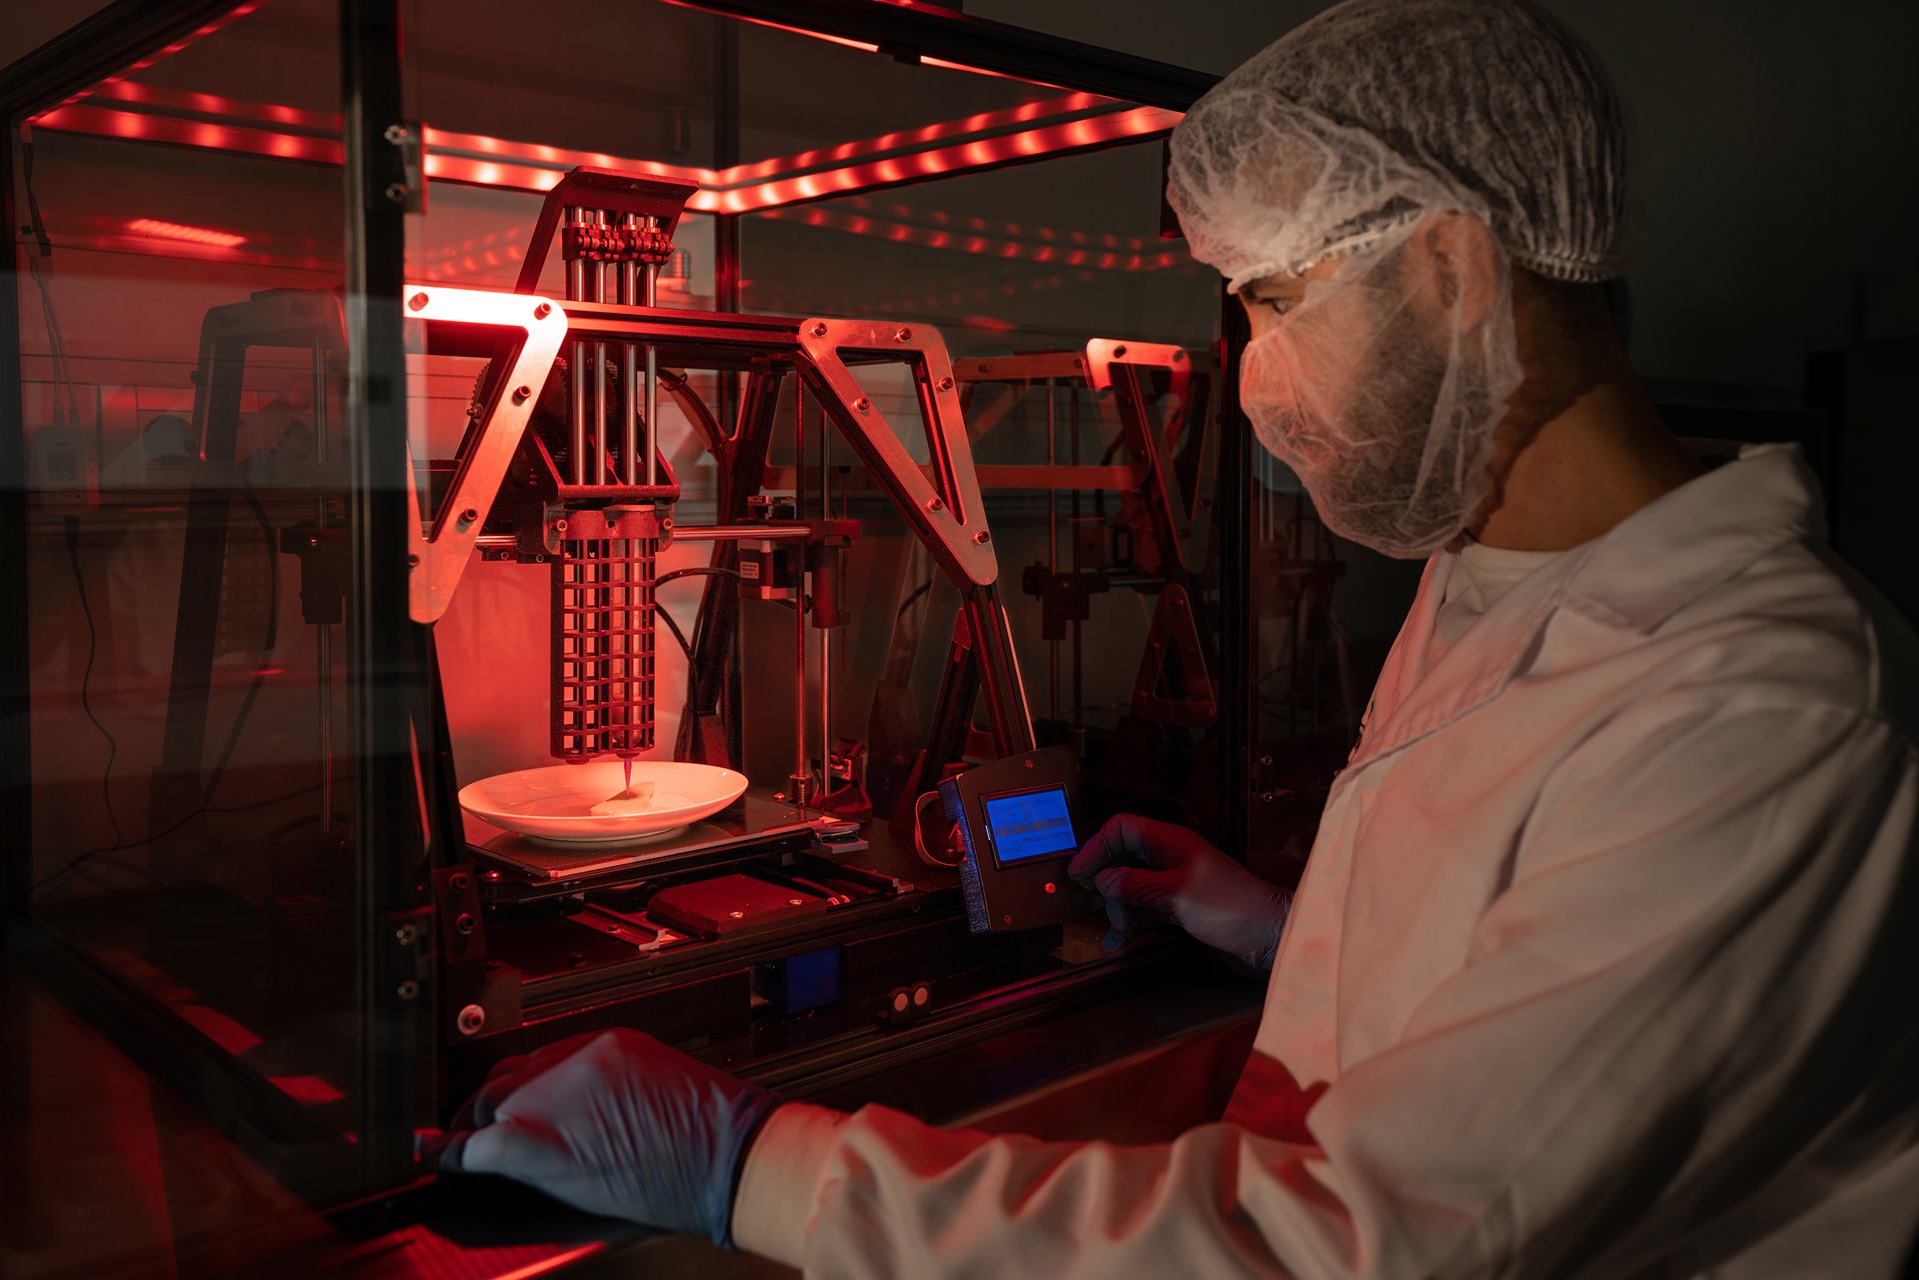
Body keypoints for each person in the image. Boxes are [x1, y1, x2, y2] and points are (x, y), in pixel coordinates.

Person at [429, 1, 1919, 1275]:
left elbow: (1362, 1244)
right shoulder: (1500, 584)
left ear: (1456, 270)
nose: (1256, 375)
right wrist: (1293, 929)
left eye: (1271, 299)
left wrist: (751, 1161)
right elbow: (1548, 991)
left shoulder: (1772, 708)